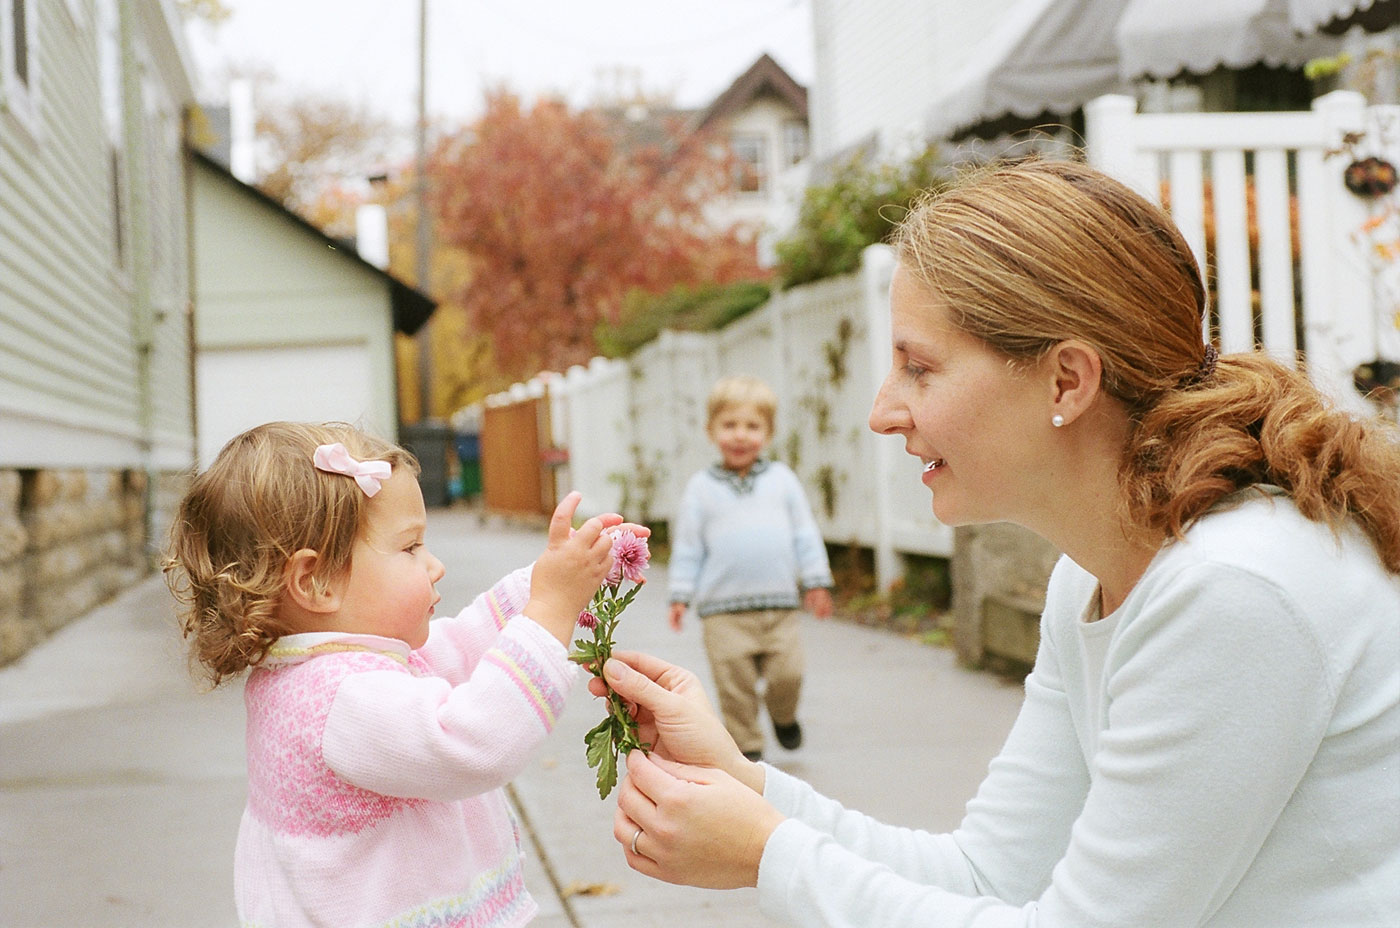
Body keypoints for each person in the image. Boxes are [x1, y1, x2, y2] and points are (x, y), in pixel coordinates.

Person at [591, 159, 1400, 926]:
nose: (883, 411)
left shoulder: (1236, 588)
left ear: (1066, 381)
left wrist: (770, 855)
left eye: (919, 368)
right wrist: (744, 783)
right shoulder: (1091, 576)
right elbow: (988, 876)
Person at [164, 421, 641, 928]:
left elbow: (458, 646)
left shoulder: (331, 664)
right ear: (316, 581)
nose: (434, 565)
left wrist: (552, 581)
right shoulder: (338, 699)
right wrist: (551, 609)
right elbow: (473, 741)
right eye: (411, 547)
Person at [667, 374, 834, 762]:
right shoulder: (700, 488)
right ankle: (748, 748)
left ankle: (784, 715)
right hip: (722, 613)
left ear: (768, 433)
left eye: (752, 426)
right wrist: (680, 594)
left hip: (779, 607)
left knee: (788, 674)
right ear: (711, 431)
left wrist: (816, 581)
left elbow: (805, 534)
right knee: (733, 685)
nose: (740, 435)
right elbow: (688, 546)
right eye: (729, 425)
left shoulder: (782, 481)